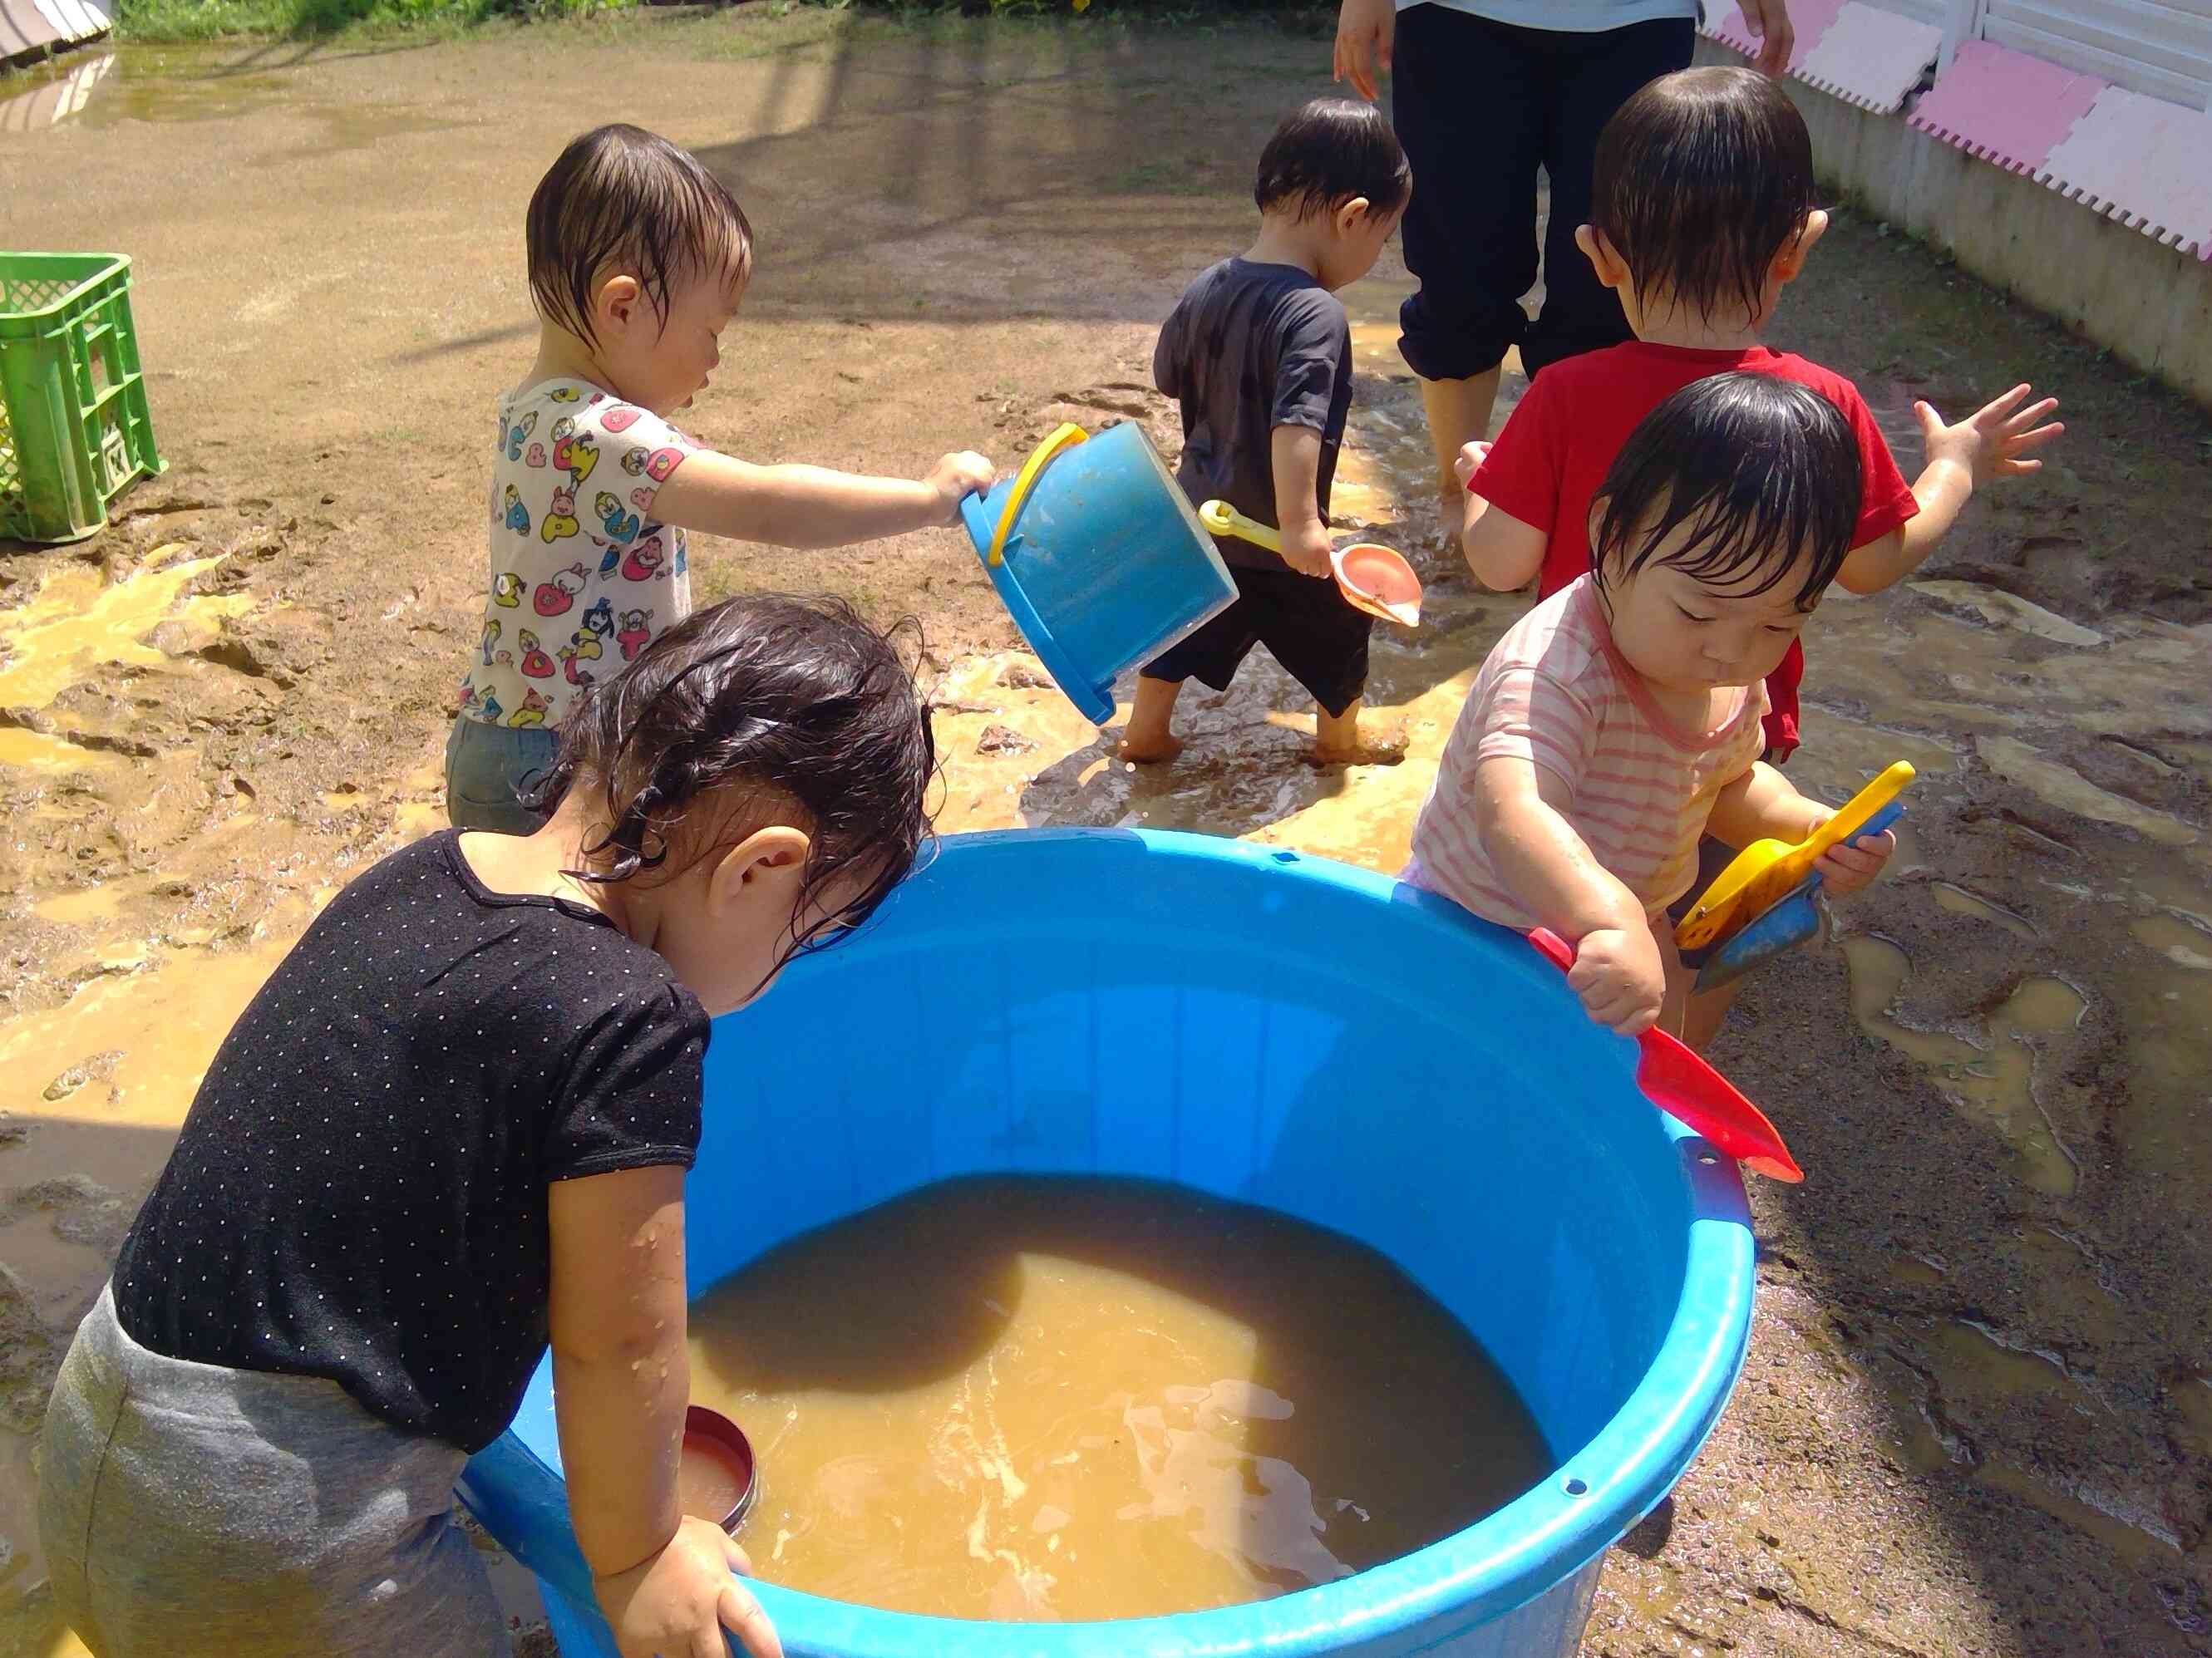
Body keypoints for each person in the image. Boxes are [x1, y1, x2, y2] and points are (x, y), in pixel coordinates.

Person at [40, 595, 938, 1658]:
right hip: (276, 1539)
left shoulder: (422, 875)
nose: (785, 970)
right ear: (760, 870)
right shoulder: (633, 1018)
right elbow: (618, 1344)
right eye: (810, 936)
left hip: (105, 1437)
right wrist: (640, 1555)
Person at [1455, 66, 2059, 1044]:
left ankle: (1626, 1054)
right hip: (1714, 730)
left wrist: (1472, 490)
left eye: (1784, 612)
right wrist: (1954, 467)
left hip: (1636, 734)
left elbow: (1497, 559)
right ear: (1798, 246)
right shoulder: (1817, 406)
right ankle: (1682, 1061)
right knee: (1698, 922)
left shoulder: (1565, 393)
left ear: (1599, 256)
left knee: (1576, 921)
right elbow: (1874, 560)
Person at [451, 122, 993, 834]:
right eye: (712, 331)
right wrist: (927, 500)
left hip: (505, 742)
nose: (715, 359)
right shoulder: (605, 436)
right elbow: (774, 507)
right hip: (559, 764)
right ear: (623, 307)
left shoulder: (534, 409)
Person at [1406, 375, 1896, 1039]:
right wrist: (1605, 915)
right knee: (1450, 1071)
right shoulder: (1555, 668)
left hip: (1630, 927)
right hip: (1479, 929)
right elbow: (1517, 807)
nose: (1730, 648)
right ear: (1611, 534)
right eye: (1698, 610)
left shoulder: (1727, 660)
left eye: (1779, 624)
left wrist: (1811, 831)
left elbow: (1727, 783)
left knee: (1639, 1086)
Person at [1333, 0, 1796, 537]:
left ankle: (1569, 499)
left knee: (1610, 278)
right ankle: (1458, 494)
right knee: (1457, 273)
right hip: (1454, 15)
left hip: (1634, 18)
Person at [1121, 97, 1411, 766]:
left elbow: (1167, 374)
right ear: (1353, 217)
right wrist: (1301, 526)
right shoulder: (1315, 313)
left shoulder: (1207, 283)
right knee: (1341, 627)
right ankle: (1339, 744)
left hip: (1202, 519)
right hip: (1272, 534)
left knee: (1180, 629)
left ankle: (1146, 736)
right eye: (1382, 237)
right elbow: (1296, 423)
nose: (1375, 253)